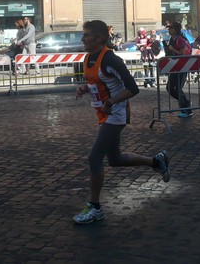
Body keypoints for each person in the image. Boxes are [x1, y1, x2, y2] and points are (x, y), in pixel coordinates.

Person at [73, 20, 170, 225]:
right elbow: (99, 81)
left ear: (99, 38)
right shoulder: (88, 57)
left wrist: (112, 101)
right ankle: (156, 161)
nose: (83, 38)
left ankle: (95, 207)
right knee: (115, 159)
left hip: (116, 114)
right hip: (103, 113)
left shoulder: (111, 59)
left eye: (87, 35)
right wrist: (84, 88)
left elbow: (132, 88)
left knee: (94, 158)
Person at [164, 21, 193, 118]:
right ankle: (186, 103)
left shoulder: (180, 39)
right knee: (170, 88)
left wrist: (173, 50)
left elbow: (184, 53)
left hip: (182, 67)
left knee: (177, 88)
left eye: (170, 28)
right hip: (174, 67)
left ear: (175, 30)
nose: (168, 29)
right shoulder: (172, 39)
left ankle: (187, 109)